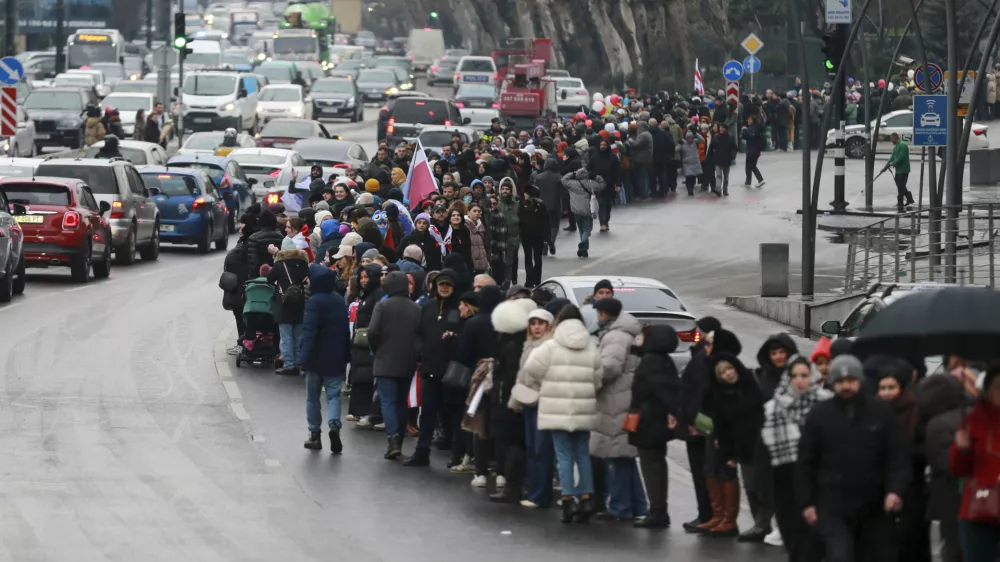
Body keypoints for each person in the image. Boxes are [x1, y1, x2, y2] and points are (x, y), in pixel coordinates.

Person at [797, 355, 911, 562]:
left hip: (873, 504)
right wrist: (807, 503)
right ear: (832, 384)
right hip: (832, 502)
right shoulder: (819, 415)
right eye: (840, 382)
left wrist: (895, 490)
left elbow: (896, 455)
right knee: (840, 555)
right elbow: (806, 461)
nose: (846, 386)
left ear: (860, 381)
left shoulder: (881, 413)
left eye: (850, 381)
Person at [522, 304, 603, 523]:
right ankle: (586, 497)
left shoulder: (550, 346)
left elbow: (531, 369)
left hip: (556, 408)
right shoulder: (591, 347)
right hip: (583, 408)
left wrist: (546, 382)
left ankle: (568, 500)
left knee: (564, 455)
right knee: (583, 454)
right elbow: (598, 379)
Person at [761, 357, 829, 561]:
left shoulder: (826, 404)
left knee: (816, 544)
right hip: (786, 485)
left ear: (813, 376)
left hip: (819, 483)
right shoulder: (774, 408)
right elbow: (765, 452)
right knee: (794, 541)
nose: (799, 380)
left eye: (804, 375)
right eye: (794, 376)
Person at [591, 297, 647, 521]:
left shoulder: (615, 336)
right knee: (625, 457)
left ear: (604, 314)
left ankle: (620, 507)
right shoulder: (626, 332)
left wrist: (591, 378)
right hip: (624, 398)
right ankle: (638, 505)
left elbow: (610, 368)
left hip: (616, 401)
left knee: (617, 456)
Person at [703, 348, 764, 537]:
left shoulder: (751, 385)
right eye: (723, 372)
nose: (728, 373)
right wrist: (728, 454)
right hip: (743, 448)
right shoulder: (721, 397)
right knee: (752, 487)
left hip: (761, 443)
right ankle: (759, 524)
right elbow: (723, 429)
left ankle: (765, 523)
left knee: (764, 487)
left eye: (729, 369)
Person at [403, 270, 462, 467]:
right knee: (427, 414)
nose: (444, 287)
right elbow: (417, 333)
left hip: (452, 372)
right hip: (430, 369)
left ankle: (457, 455)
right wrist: (420, 351)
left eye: (448, 284)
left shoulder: (459, 308)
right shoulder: (427, 307)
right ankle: (422, 452)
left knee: (452, 415)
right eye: (441, 284)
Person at [628, 324, 680, 529]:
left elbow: (661, 391)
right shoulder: (662, 359)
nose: (640, 338)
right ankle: (657, 510)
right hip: (655, 421)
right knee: (654, 465)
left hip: (650, 422)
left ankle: (658, 511)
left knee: (652, 467)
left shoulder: (651, 362)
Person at [367, 271, 422, 459]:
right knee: (401, 401)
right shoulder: (416, 308)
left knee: (388, 401)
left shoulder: (383, 305)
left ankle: (393, 438)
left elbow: (373, 331)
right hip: (407, 360)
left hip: (385, 359)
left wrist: (377, 348)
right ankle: (399, 434)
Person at [950, 364, 1000, 561]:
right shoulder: (973, 420)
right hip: (979, 511)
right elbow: (957, 469)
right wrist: (962, 449)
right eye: (997, 386)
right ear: (987, 390)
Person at [299, 263, 351, 452]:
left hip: (315, 358)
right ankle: (334, 424)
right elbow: (345, 331)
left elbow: (309, 331)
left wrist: (303, 357)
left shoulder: (314, 302)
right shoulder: (338, 300)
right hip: (335, 357)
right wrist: (347, 354)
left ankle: (314, 435)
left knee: (313, 398)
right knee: (333, 395)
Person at [508, 306, 555, 508]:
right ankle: (534, 489)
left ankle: (540, 494)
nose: (536, 328)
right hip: (528, 401)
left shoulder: (550, 346)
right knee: (532, 448)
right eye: (533, 323)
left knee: (541, 450)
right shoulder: (529, 344)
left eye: (541, 323)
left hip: (543, 402)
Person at [918, 374, 967, 562]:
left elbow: (944, 463)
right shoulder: (973, 414)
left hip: (951, 498)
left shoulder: (936, 425)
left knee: (954, 549)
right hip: (978, 495)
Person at [267, 244, 310, 376]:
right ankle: (298, 363)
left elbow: (270, 279)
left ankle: (289, 365)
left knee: (286, 337)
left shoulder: (280, 265)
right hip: (300, 304)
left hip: (285, 305)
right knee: (298, 336)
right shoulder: (303, 264)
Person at [348, 264, 382, 424]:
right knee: (359, 375)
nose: (363, 280)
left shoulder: (377, 295)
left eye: (366, 277)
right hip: (360, 341)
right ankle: (358, 410)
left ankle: (366, 411)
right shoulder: (365, 294)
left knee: (366, 377)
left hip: (368, 340)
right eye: (361, 277)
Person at [561, 167, 605, 259]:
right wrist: (596, 176)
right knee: (587, 229)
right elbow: (602, 185)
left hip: (576, 210)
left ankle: (584, 250)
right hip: (587, 210)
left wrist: (572, 173)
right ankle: (583, 243)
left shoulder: (571, 184)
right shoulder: (591, 183)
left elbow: (563, 179)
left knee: (581, 229)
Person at [518, 185, 549, 288]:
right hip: (538, 236)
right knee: (537, 258)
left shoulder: (522, 205)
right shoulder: (541, 205)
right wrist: (548, 238)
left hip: (526, 236)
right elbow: (546, 222)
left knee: (528, 257)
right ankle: (537, 280)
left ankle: (529, 280)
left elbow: (520, 221)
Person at [246, 211, 285, 289]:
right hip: (277, 277)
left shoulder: (253, 238)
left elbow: (254, 262)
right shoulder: (281, 237)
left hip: (260, 278)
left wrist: (252, 278)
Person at [532, 158, 563, 255]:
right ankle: (551, 241)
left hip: (541, 204)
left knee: (543, 226)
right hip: (555, 204)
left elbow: (534, 191)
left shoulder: (538, 177)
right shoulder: (558, 177)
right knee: (554, 225)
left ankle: (544, 243)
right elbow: (563, 192)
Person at [497, 178, 521, 285]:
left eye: (507, 189)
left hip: (514, 236)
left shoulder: (516, 205)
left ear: (511, 191)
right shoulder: (497, 204)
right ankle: (506, 280)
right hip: (501, 236)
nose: (505, 191)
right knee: (505, 260)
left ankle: (513, 278)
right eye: (503, 189)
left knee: (513, 259)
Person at [884, 132, 914, 212]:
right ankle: (909, 199)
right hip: (898, 170)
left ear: (895, 138)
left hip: (904, 170)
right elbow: (892, 158)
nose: (891, 141)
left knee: (900, 186)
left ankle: (900, 203)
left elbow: (901, 157)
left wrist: (893, 163)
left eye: (891, 139)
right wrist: (885, 167)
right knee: (900, 185)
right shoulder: (896, 147)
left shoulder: (903, 145)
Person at [706, 122, 737, 196]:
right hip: (717, 159)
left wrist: (732, 157)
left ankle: (725, 190)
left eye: (722, 128)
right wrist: (710, 157)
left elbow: (734, 148)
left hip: (726, 160)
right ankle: (718, 190)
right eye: (720, 128)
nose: (721, 129)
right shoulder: (716, 137)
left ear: (726, 129)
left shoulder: (730, 137)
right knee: (718, 175)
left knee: (726, 176)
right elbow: (711, 147)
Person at [742, 114, 766, 188]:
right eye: (748, 119)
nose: (748, 121)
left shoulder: (753, 128)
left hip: (752, 150)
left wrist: (744, 131)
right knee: (748, 166)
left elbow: (750, 136)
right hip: (754, 150)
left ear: (753, 120)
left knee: (752, 166)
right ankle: (748, 182)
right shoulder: (754, 128)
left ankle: (760, 180)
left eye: (750, 119)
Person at [678, 131, 704, 196]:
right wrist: (678, 144)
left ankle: (691, 189)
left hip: (695, 162)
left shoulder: (695, 142)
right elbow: (676, 149)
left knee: (693, 177)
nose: (690, 139)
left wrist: (696, 133)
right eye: (688, 138)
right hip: (687, 164)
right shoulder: (683, 144)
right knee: (688, 177)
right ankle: (689, 190)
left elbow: (702, 139)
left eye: (691, 138)